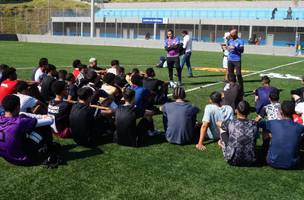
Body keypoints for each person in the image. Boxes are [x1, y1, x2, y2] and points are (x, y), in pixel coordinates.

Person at [0, 95, 54, 165]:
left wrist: (39, 116)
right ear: (18, 107)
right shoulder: (20, 122)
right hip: (22, 159)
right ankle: (50, 147)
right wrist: (45, 117)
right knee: (44, 128)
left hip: (7, 157)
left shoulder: (1, 118)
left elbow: (21, 114)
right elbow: (50, 121)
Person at [258, 101, 304, 169]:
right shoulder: (300, 127)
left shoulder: (273, 123)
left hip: (273, 162)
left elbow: (259, 123)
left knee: (266, 129)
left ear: (281, 111)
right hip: (293, 163)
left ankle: (264, 151)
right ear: (294, 112)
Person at [217, 101, 258, 166]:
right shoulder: (255, 124)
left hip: (232, 159)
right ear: (249, 112)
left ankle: (222, 143)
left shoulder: (231, 123)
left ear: (236, 111)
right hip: (250, 160)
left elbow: (218, 123)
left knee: (222, 128)